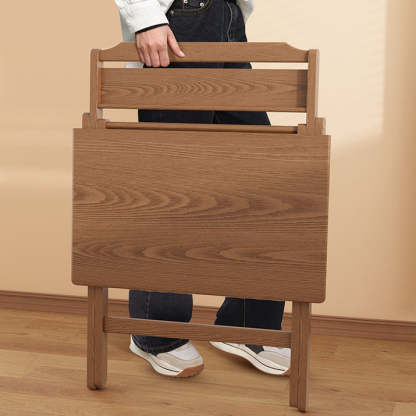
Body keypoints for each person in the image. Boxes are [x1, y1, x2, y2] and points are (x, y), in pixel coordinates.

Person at [114, 0, 290, 378]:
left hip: (229, 20)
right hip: (177, 20)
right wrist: (145, 19)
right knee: (173, 187)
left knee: (262, 181)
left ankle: (246, 324)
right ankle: (156, 332)